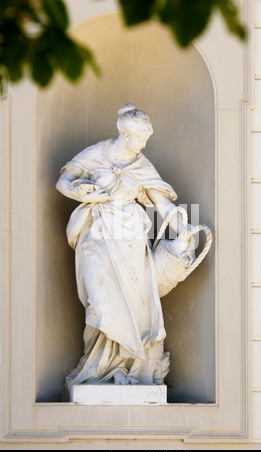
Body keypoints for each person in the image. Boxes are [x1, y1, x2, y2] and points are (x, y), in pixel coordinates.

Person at [56, 104, 187, 389]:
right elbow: (63, 181)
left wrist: (184, 229)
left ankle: (127, 368)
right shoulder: (95, 154)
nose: (143, 144)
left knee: (135, 306)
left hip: (130, 239)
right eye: (140, 138)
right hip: (96, 236)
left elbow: (162, 204)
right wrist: (79, 191)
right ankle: (95, 369)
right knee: (100, 304)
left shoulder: (142, 165)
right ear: (126, 135)